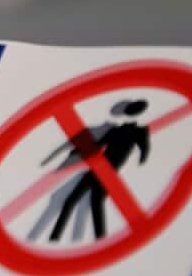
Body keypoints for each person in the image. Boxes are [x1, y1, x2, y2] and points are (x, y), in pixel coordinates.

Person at [46, 99, 151, 242]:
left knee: (91, 202)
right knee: (77, 201)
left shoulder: (139, 132)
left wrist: (142, 160)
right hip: (99, 169)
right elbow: (98, 145)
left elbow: (144, 149)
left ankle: (98, 239)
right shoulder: (116, 131)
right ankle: (57, 237)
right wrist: (77, 151)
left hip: (108, 172)